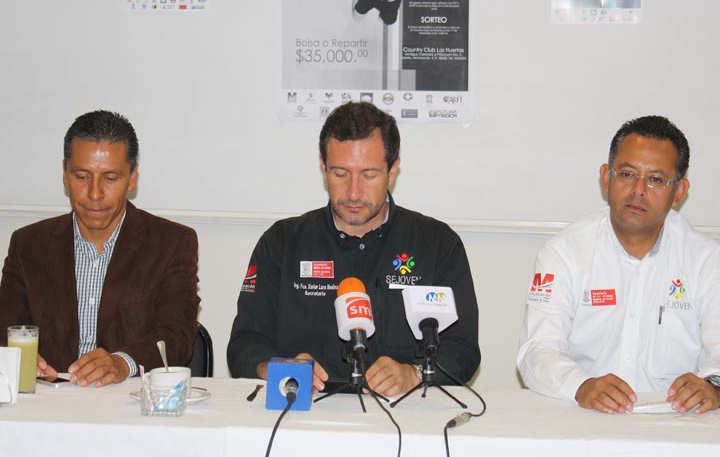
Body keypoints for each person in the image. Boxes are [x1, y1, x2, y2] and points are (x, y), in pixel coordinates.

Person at [227, 101, 479, 397]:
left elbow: (463, 350)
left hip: (405, 411)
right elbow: (244, 345)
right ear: (323, 167)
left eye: (369, 175)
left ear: (393, 170)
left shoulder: (437, 244)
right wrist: (276, 367)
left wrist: (415, 373)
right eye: (340, 174)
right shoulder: (281, 242)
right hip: (304, 411)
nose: (354, 192)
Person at [517, 116, 720, 414]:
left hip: (676, 420)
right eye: (627, 174)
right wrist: (580, 385)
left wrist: (713, 385)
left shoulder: (706, 260)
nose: (638, 190)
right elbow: (536, 351)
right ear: (605, 177)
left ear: (679, 191)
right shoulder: (564, 252)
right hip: (585, 417)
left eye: (655, 179)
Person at [0, 110, 200, 387]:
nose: (95, 194)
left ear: (132, 177)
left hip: (127, 400)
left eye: (110, 178)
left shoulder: (171, 243)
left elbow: (177, 335)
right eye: (82, 177)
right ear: (65, 174)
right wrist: (16, 357)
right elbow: (5, 328)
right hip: (50, 399)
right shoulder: (28, 245)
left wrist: (123, 362)